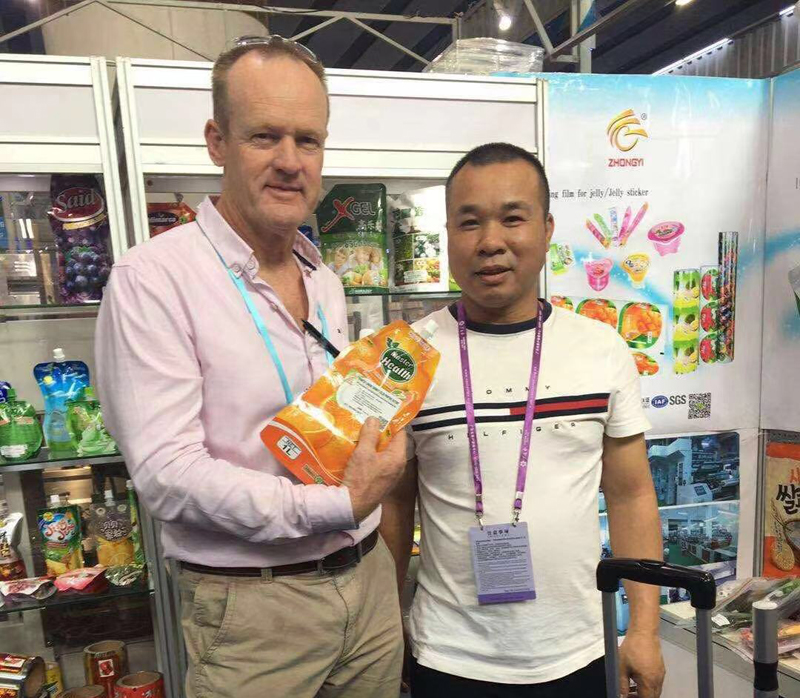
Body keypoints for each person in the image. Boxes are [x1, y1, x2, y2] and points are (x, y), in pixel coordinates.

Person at [96, 37, 406, 698]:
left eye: (308, 140)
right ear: (217, 142)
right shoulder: (153, 279)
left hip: (369, 579)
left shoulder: (322, 277)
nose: (290, 162)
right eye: (265, 136)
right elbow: (168, 475)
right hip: (254, 611)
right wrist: (339, 504)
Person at [381, 142, 666, 698]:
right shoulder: (408, 357)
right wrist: (388, 625)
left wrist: (645, 630)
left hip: (579, 650)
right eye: (470, 222)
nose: (491, 241)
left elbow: (631, 495)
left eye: (513, 218)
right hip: (449, 655)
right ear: (448, 234)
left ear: (546, 229)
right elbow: (395, 503)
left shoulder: (600, 348)